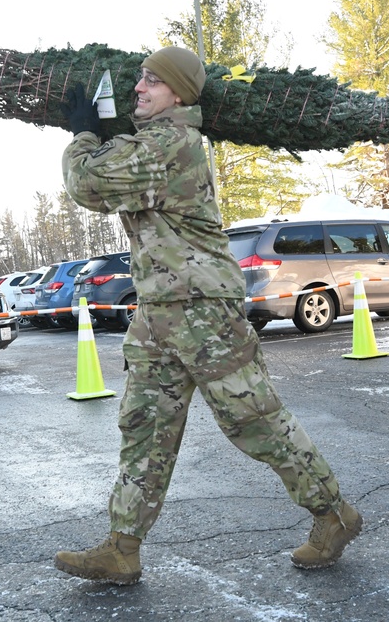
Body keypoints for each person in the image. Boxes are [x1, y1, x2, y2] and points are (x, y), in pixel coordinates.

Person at [55, 45, 362, 585]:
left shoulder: (174, 142)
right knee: (145, 430)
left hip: (201, 310)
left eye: (152, 80)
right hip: (157, 311)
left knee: (255, 420)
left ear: (179, 93)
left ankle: (333, 515)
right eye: (139, 79)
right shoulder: (147, 143)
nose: (139, 87)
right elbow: (112, 172)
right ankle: (122, 548)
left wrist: (82, 136)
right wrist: (102, 136)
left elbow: (90, 184)